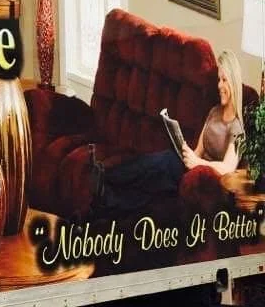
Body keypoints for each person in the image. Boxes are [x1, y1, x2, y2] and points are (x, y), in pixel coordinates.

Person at [90, 49, 245, 215]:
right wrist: (185, 151)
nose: (220, 85)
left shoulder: (237, 129)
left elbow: (228, 168)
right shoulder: (214, 112)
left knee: (165, 161)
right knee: (156, 179)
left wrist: (197, 163)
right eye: (219, 80)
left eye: (224, 80)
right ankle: (107, 197)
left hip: (207, 181)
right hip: (194, 168)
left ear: (233, 83)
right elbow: (198, 151)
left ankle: (106, 175)